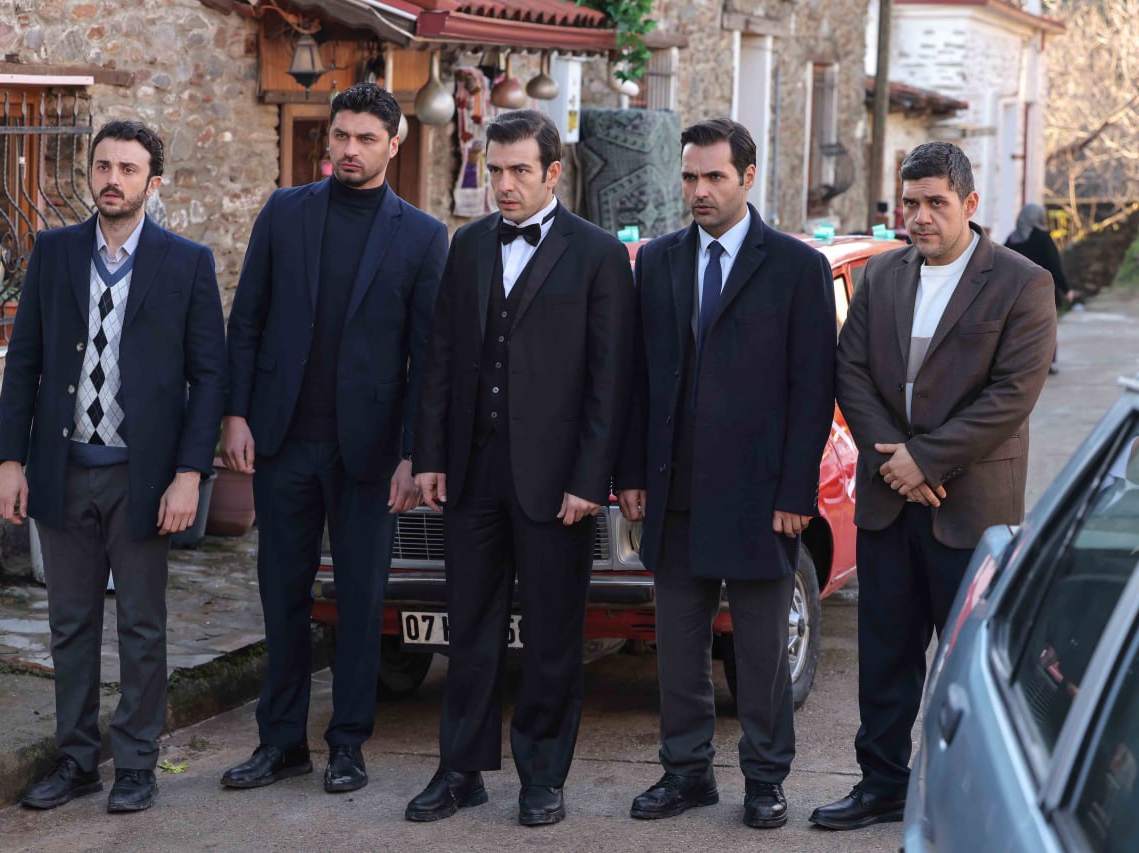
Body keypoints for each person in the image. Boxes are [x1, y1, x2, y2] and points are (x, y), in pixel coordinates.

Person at [811, 142, 1057, 830]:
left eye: (935, 203)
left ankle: (967, 796)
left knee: (970, 664)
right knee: (884, 657)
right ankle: (881, 784)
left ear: (969, 204)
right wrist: (896, 462)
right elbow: (850, 371)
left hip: (971, 507)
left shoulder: (1022, 282)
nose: (919, 217)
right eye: (910, 203)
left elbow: (1012, 395)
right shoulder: (883, 276)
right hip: (888, 501)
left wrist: (924, 460)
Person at [404, 109, 633, 827]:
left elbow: (610, 379)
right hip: (472, 471)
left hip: (557, 480)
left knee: (552, 635)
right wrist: (430, 456)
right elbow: (440, 358)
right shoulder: (468, 244)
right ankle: (460, 770)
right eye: (495, 170)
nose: (503, 184)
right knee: (468, 629)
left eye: (519, 171)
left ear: (552, 173)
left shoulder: (597, 253)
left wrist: (590, 479)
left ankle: (542, 777)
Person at [219, 83, 447, 796]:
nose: (350, 149)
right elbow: (247, 318)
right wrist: (235, 414)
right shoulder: (285, 211)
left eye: (365, 139)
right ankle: (281, 742)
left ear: (394, 144)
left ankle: (348, 743)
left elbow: (428, 358)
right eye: (341, 135)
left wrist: (413, 453)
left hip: (369, 454)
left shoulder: (422, 235)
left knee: (360, 601)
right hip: (284, 440)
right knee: (282, 596)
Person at [0, 120, 227, 813]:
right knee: (69, 624)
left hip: (144, 478)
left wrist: (190, 474)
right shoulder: (54, 251)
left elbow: (209, 378)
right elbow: (24, 362)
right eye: (103, 166)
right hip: (63, 469)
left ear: (153, 183)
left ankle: (135, 765)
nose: (112, 179)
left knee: (141, 627)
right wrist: (10, 460)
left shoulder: (187, 263)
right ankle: (76, 760)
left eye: (128, 168)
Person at [613, 118, 836, 829]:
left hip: (761, 498)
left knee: (763, 654)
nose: (699, 190)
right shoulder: (657, 261)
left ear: (748, 177)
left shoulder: (797, 267)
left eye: (713, 176)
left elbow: (813, 389)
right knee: (679, 649)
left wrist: (796, 490)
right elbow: (638, 377)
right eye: (689, 177)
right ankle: (686, 774)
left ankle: (766, 780)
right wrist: (631, 473)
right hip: (674, 491)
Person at [1006, 203, 1074, 373]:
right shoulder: (1042, 238)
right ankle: (1046, 364)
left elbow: (1002, 264)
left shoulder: (1012, 239)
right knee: (1045, 329)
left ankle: (1022, 364)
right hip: (1042, 292)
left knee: (1021, 330)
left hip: (1017, 294)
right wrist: (1066, 289)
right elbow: (1054, 265)